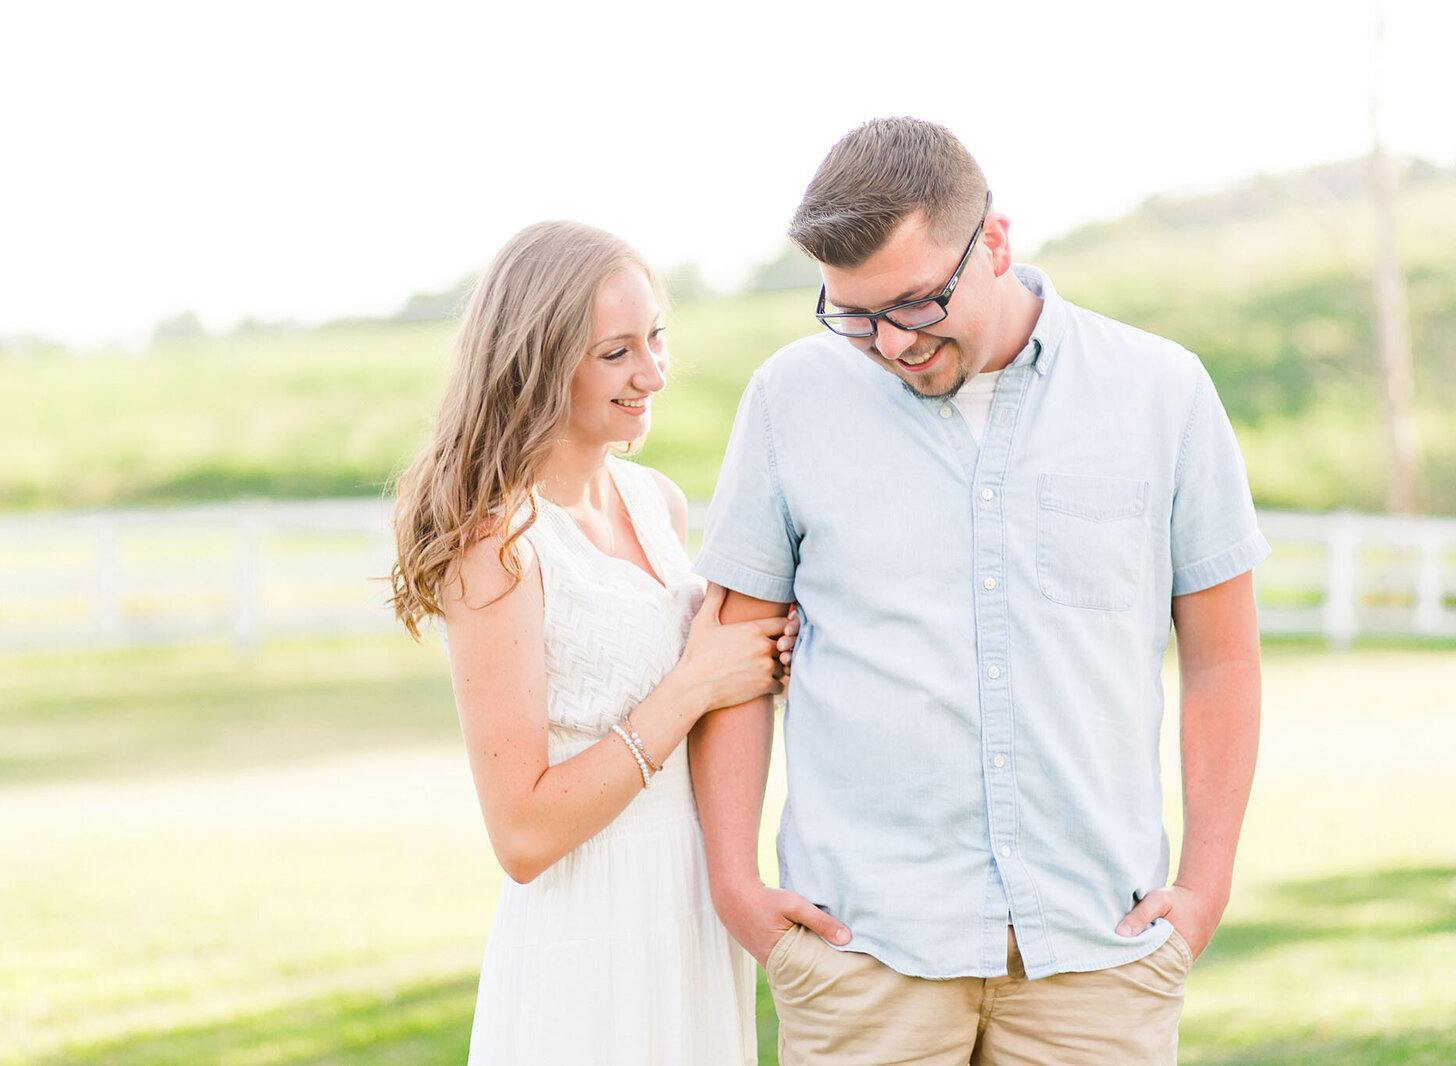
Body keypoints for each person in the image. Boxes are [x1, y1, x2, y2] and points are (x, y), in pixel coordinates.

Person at [688, 117, 1269, 1065]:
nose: (887, 343)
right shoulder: (791, 398)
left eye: (915, 304)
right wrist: (734, 885)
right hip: (862, 953)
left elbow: (1223, 658)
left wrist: (1204, 889)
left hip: (1099, 953)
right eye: (854, 313)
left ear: (993, 243)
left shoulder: (1163, 392)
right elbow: (735, 660)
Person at [390, 220, 816, 1065]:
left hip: (689, 912)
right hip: (588, 934)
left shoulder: (656, 502)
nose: (653, 373)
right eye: (616, 352)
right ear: (543, 364)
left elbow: (713, 674)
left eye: (655, 337)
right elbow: (523, 835)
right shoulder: (498, 543)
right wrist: (692, 687)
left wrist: (775, 655)